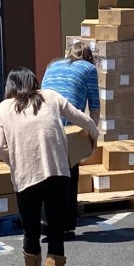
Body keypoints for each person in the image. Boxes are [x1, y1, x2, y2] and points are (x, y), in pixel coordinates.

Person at [0, 67, 99, 266]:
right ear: (35, 82)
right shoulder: (50, 96)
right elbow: (82, 119)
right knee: (56, 232)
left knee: (31, 231)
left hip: (26, 177)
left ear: (10, 86)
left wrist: (16, 160)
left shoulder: (2, 109)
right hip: (58, 175)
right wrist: (93, 137)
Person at [40, 42, 101, 239]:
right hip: (66, 123)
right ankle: (65, 225)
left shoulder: (53, 65)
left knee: (47, 172)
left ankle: (44, 220)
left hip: (40, 120)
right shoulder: (89, 69)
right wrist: (91, 134)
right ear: (90, 57)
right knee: (69, 171)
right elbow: (94, 106)